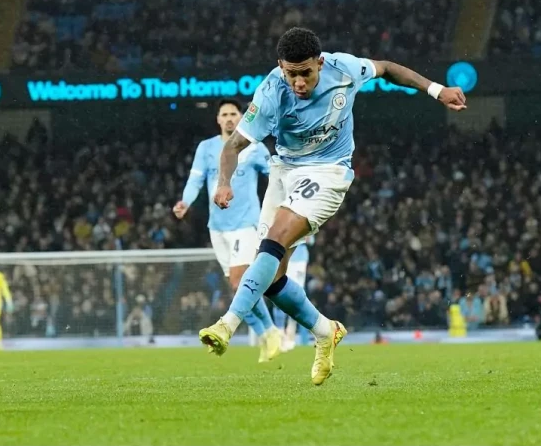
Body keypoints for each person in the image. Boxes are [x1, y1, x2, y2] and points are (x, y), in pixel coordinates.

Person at [197, 27, 467, 385]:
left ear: (320, 63)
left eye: (305, 73)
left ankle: (227, 324)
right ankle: (325, 330)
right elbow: (232, 146)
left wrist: (437, 90)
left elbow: (386, 67)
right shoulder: (271, 90)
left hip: (329, 172)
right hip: (285, 172)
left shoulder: (344, 69)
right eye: (291, 73)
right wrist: (224, 182)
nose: (298, 82)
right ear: (281, 67)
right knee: (274, 278)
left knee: (273, 242)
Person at [173, 99, 281, 363]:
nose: (230, 118)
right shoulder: (207, 148)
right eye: (225, 114)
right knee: (239, 287)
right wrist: (185, 202)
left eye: (234, 113)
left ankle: (270, 332)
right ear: (218, 120)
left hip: (245, 224)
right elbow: (195, 180)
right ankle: (266, 336)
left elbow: (276, 175)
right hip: (217, 228)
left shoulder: (253, 148)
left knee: (238, 281)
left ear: (241, 117)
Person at [276, 235, 313, 352]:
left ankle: (290, 334)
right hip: (283, 256)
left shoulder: (306, 217)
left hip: (299, 259)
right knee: (278, 292)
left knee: (296, 296)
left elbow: (310, 240)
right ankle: (279, 334)